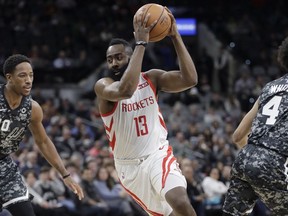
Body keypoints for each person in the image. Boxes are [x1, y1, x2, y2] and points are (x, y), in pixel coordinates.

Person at [94, 7, 198, 216]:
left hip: (157, 154)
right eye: (110, 59)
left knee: (180, 201)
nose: (114, 62)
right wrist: (141, 43)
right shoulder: (103, 86)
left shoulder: (152, 78)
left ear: (132, 57)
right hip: (129, 168)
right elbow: (126, 90)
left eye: (119, 57)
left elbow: (190, 80)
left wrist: (175, 36)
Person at [0, 54, 84, 216]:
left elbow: (43, 142)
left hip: (5, 165)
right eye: (22, 75)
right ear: (9, 78)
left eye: (31, 75)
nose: (29, 80)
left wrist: (65, 174)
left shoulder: (32, 108)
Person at [222, 36, 288, 216]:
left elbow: (237, 136)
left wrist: (257, 158)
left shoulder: (269, 88)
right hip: (274, 162)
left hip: (245, 158)